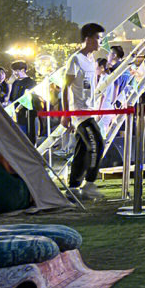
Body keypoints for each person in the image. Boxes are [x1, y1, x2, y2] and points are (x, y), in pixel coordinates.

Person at [63, 22, 106, 201]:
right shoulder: (75, 59)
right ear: (88, 39)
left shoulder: (92, 61)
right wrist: (66, 114)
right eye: (98, 38)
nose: (100, 43)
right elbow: (65, 87)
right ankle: (89, 183)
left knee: (81, 150)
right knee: (97, 143)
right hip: (80, 113)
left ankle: (73, 187)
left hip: (90, 110)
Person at [8, 60, 38, 139]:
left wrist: (19, 108)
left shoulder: (31, 82)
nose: (14, 73)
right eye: (13, 71)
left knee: (27, 135)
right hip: (16, 115)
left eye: (16, 71)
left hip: (27, 114)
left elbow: (30, 98)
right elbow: (11, 98)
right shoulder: (15, 83)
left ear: (23, 70)